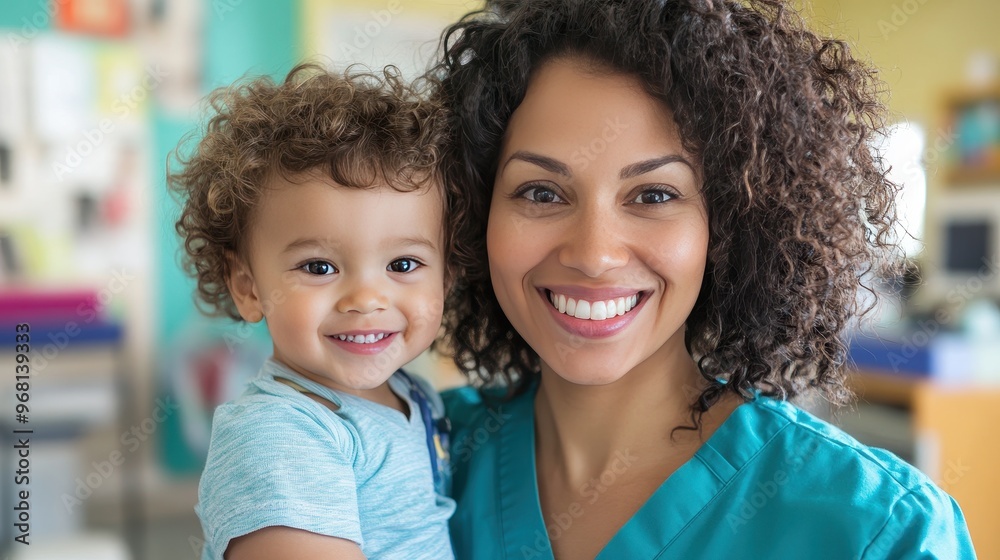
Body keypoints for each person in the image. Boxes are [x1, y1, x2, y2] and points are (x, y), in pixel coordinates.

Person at [430, 0, 977, 558]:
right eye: (541, 192)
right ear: (473, 213)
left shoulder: (881, 532)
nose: (593, 255)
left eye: (654, 195)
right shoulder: (399, 454)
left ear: (734, 224)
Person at [170, 63, 458, 560]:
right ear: (248, 286)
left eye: (404, 263)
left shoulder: (415, 396)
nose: (367, 299)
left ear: (447, 275)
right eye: (320, 266)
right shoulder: (280, 436)